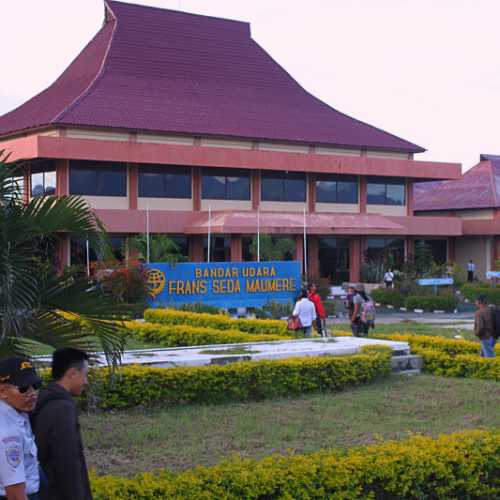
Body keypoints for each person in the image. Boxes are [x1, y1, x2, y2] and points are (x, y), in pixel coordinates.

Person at [31, 349, 92, 500]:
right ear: (72, 373)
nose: (86, 381)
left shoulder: (44, 397)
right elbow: (66, 461)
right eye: (85, 374)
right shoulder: (62, 408)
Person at [0, 357, 41, 500]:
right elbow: (15, 494)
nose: (32, 393)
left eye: (36, 385)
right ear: (2, 391)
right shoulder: (8, 431)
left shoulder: (19, 413)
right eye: (23, 388)